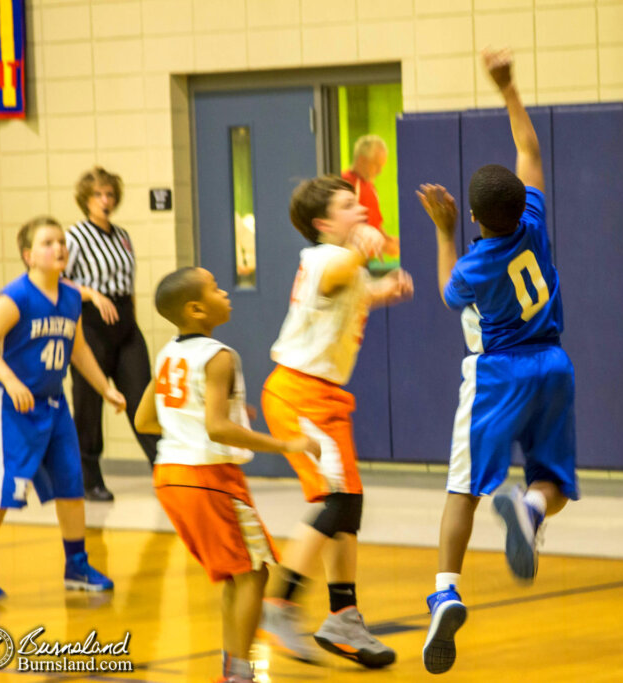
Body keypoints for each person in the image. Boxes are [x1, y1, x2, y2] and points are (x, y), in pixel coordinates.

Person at [416, 48, 579, 675]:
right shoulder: (533, 220)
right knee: (554, 482)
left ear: (479, 218)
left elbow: (444, 291)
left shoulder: (474, 265)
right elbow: (529, 150)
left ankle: (446, 589)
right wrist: (509, 89)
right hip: (553, 364)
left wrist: (443, 231)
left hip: (497, 374)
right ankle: (531, 510)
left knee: (463, 488)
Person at [134, 267, 319, 683]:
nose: (226, 293)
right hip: (207, 476)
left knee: (240, 576)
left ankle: (232, 669)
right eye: (217, 289)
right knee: (254, 572)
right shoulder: (218, 355)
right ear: (197, 309)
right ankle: (239, 673)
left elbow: (146, 419)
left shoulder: (167, 354)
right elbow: (217, 428)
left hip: (170, 477)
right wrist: (285, 444)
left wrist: (223, 415)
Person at [257, 175, 413, 669]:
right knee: (335, 500)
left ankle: (343, 615)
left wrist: (382, 291)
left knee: (348, 506)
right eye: (350, 206)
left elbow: (349, 294)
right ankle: (279, 605)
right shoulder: (325, 258)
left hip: (323, 396)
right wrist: (365, 257)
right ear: (324, 223)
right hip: (299, 393)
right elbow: (333, 278)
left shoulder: (346, 265)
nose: (361, 211)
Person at [0, 216, 125, 603]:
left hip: (53, 404)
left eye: (61, 242)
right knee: (6, 487)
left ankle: (77, 565)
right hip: (10, 404)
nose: (58, 248)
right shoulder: (15, 297)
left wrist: (106, 388)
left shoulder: (70, 297)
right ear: (28, 255)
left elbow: (79, 349)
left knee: (71, 484)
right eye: (48, 242)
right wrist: (12, 381)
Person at [65, 166, 159, 502]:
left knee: (142, 396)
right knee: (89, 403)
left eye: (109, 194)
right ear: (86, 200)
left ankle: (163, 468)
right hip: (91, 324)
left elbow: (129, 282)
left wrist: (131, 316)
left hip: (124, 321)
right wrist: (92, 294)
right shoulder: (74, 237)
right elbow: (57, 279)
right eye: (98, 195)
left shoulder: (122, 235)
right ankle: (90, 479)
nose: (105, 201)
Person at [342, 134, 400, 258]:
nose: (379, 171)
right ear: (362, 160)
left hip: (365, 260)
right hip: (349, 259)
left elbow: (375, 224)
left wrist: (388, 239)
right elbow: (346, 228)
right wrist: (384, 244)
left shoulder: (370, 187)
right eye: (376, 165)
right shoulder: (345, 183)